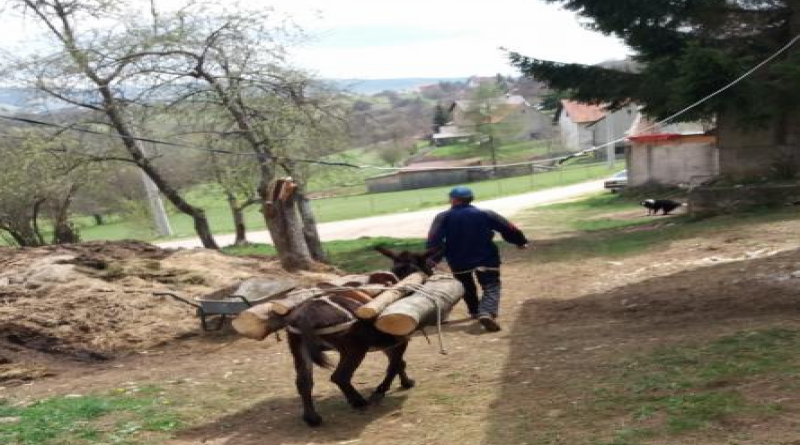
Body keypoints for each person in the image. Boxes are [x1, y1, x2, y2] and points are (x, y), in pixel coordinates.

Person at [426, 186, 529, 332]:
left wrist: (432, 259)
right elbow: (508, 228)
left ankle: (475, 311)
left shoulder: (442, 217)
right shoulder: (485, 213)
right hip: (487, 258)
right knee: (491, 286)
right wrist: (520, 241)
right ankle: (486, 312)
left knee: (466, 286)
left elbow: (434, 239)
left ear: (454, 200)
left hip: (458, 260)